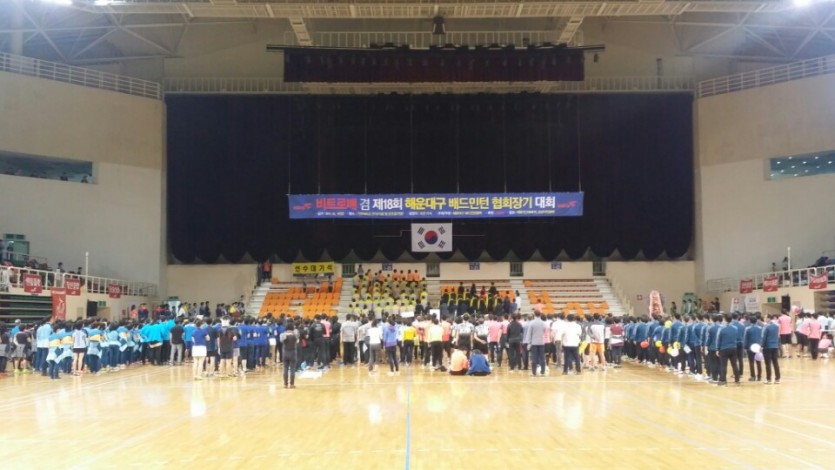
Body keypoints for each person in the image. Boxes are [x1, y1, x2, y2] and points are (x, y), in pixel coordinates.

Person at [716, 314, 741, 386]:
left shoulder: (721, 328)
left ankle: (723, 380)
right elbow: (737, 337)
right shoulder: (735, 328)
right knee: (734, 364)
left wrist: (717, 349)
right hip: (733, 348)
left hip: (724, 348)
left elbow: (718, 339)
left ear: (725, 319)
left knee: (723, 365)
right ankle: (737, 379)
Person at [524, 311, 546, 377]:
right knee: (542, 358)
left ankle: (534, 373)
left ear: (534, 315)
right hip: (541, 342)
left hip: (534, 343)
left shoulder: (532, 323)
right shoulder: (543, 323)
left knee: (534, 358)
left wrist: (528, 343)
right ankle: (542, 372)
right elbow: (544, 332)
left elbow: (529, 334)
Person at [761, 314, 781, 384]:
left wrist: (762, 346)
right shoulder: (776, 326)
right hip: (775, 346)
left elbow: (764, 337)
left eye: (765, 317)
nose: (764, 319)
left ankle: (768, 379)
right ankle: (777, 379)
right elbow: (778, 336)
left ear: (768, 318)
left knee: (768, 363)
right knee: (775, 363)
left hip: (767, 346)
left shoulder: (766, 327)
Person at [281, 321, 299, 389]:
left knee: (285, 368)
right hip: (293, 353)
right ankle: (292, 384)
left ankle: (285, 384)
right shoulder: (294, 335)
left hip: (285, 353)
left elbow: (281, 341)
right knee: (292, 369)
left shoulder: (283, 334)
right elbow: (297, 341)